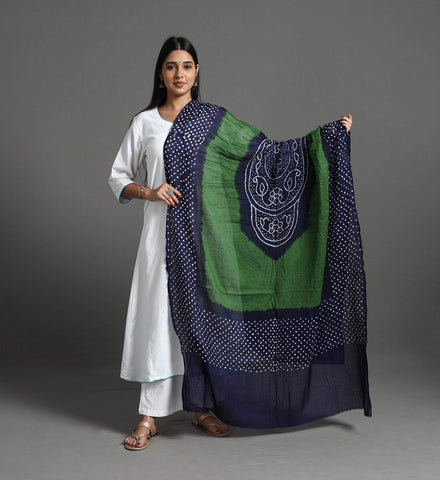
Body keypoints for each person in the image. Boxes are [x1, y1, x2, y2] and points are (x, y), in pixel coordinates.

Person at [108, 36, 354, 451]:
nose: (180, 74)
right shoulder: (145, 123)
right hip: (160, 238)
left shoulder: (213, 123)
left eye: (187, 66)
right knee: (159, 320)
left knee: (206, 319)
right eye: (171, 66)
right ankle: (149, 416)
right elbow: (118, 177)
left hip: (208, 243)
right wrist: (150, 192)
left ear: (197, 73)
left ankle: (202, 407)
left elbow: (266, 156)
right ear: (161, 74)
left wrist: (327, 138)